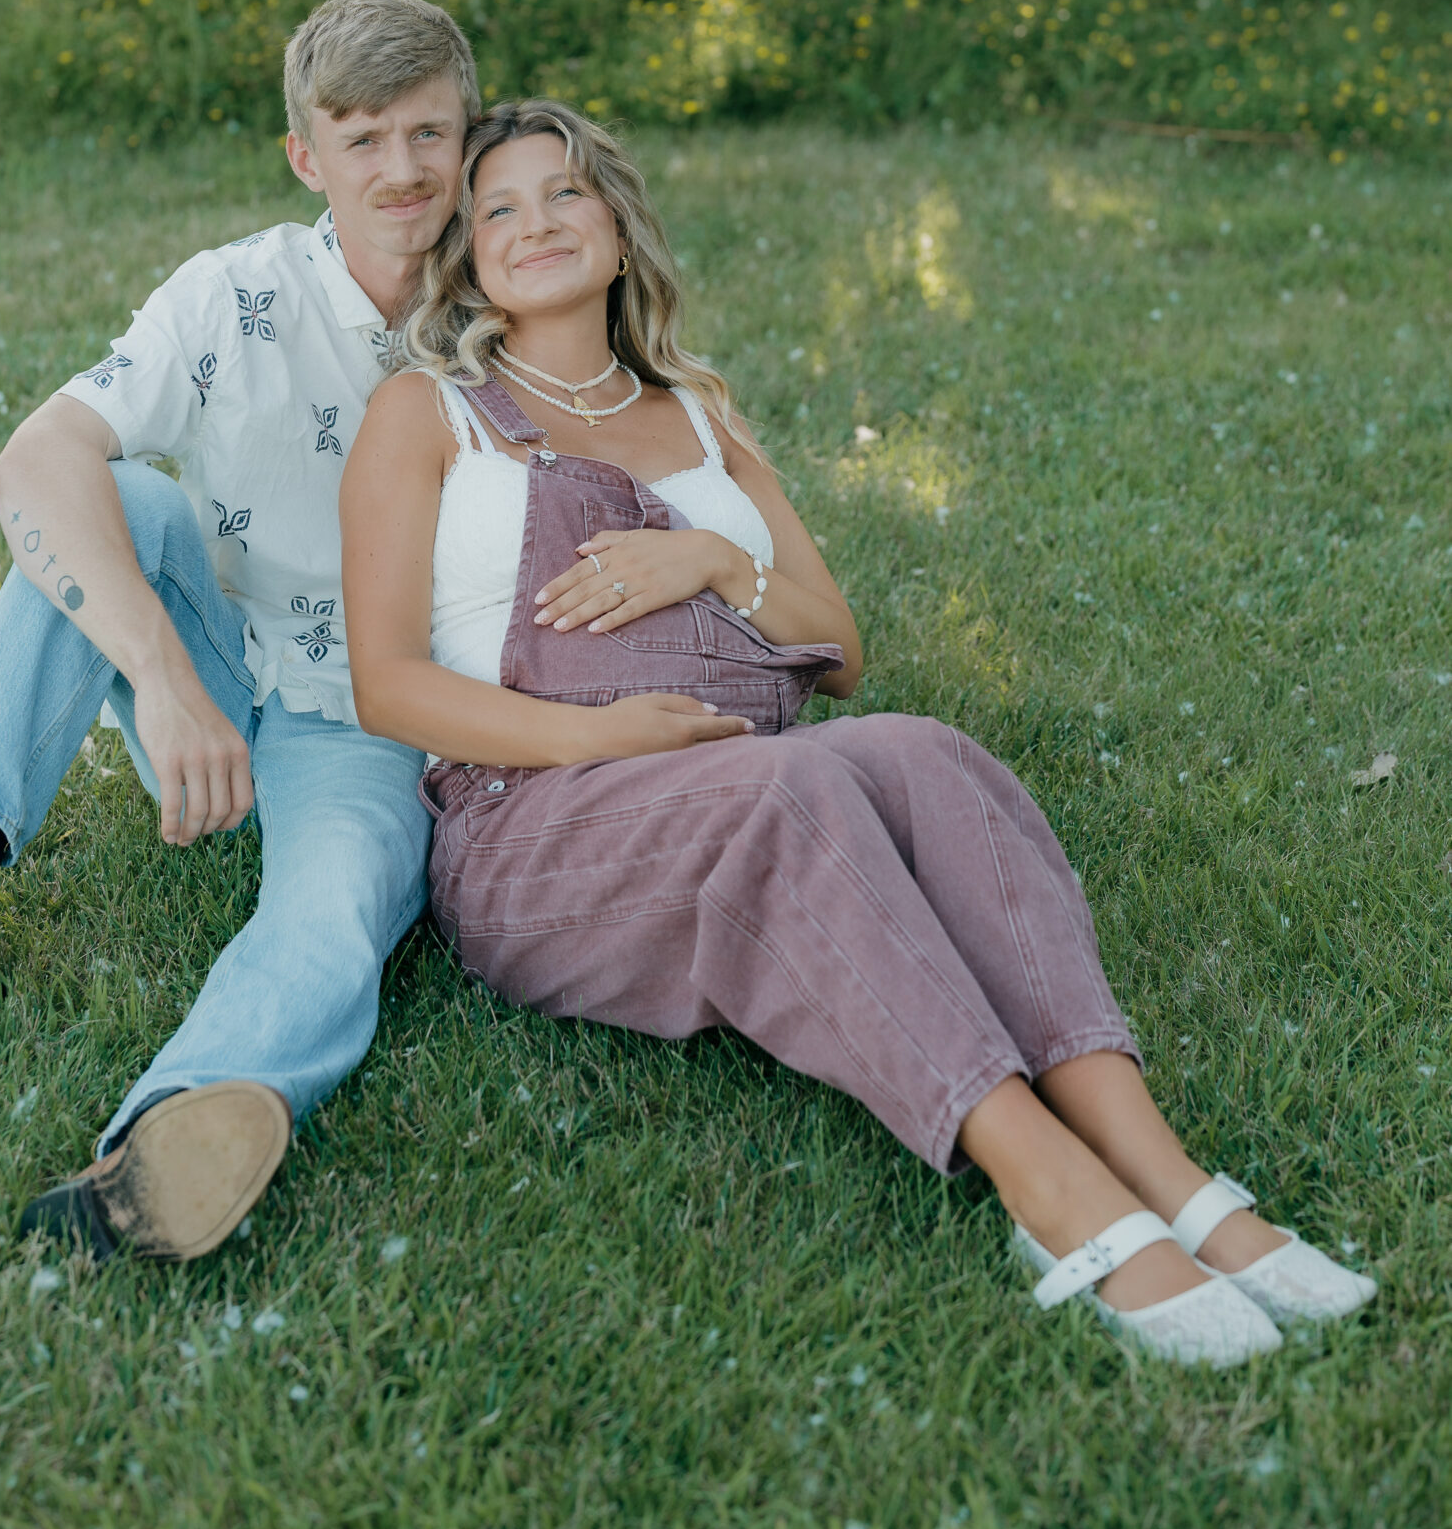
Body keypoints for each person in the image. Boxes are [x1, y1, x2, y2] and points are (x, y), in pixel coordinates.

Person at [341, 99, 1378, 1365]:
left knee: (922, 751)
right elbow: (386, 685)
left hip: (746, 766)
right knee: (784, 792)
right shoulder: (428, 413)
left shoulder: (701, 415)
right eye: (498, 207)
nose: (535, 223)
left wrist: (712, 560)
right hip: (533, 824)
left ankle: (1165, 1170)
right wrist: (600, 740)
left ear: (616, 228)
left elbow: (837, 647)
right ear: (468, 255)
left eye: (564, 193)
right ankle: (1050, 1188)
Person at [0, 0, 478, 1264]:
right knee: (115, 496)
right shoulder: (233, 294)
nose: (402, 169)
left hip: (377, 718)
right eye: (363, 138)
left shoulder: (510, 302)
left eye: (428, 132)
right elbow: (33, 458)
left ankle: (166, 1139)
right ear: (306, 156)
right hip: (218, 667)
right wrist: (163, 676)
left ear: (467, 135)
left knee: (335, 905)